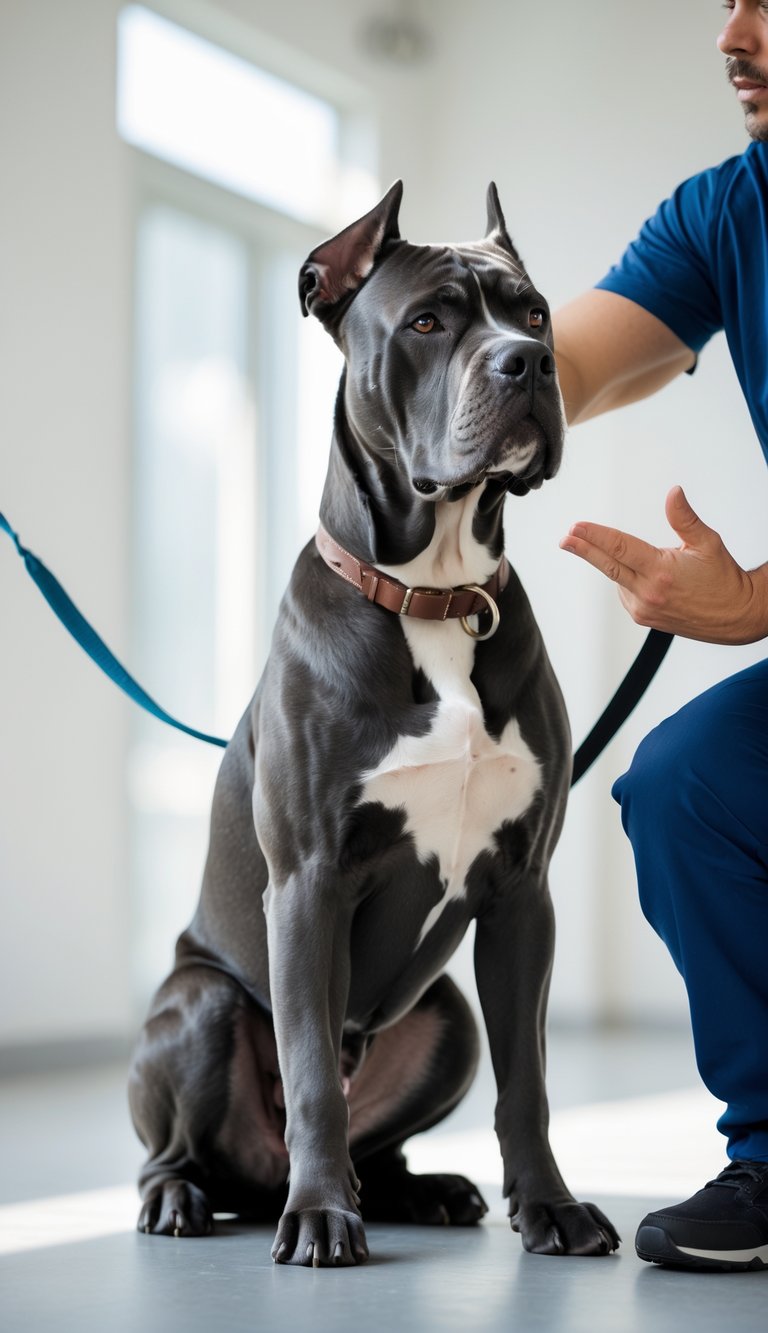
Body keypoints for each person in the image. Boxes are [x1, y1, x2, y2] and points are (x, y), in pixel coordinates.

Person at [552, 0, 768, 1272]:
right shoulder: (730, 210)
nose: (736, 31)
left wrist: (756, 603)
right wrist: (438, 383)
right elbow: (569, 361)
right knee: (686, 780)